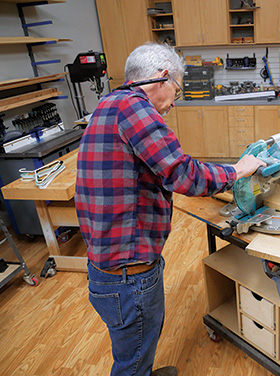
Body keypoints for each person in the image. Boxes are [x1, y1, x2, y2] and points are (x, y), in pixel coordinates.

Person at [75, 42, 265, 376]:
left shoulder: (109, 104)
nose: (172, 104)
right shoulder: (135, 109)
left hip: (107, 264)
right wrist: (237, 171)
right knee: (131, 361)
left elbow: (154, 170)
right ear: (162, 77)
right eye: (176, 92)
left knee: (135, 346)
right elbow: (183, 175)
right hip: (127, 273)